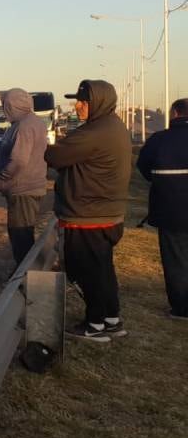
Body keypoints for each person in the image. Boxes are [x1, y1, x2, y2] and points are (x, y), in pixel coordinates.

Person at [46, 79, 131, 342]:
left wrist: (43, 143)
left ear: (97, 103)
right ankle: (111, 319)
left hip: (87, 215)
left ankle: (94, 325)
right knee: (103, 269)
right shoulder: (115, 126)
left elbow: (55, 157)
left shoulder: (93, 131)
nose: (77, 106)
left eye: (83, 101)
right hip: (108, 213)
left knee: (85, 271)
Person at [136, 97, 188, 321]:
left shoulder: (159, 139)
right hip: (171, 208)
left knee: (175, 259)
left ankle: (181, 308)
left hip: (170, 209)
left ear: (175, 114)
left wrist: (159, 181)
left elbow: (143, 165)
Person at [0, 88, 49, 267]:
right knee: (23, 233)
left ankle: (24, 276)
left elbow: (18, 160)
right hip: (28, 186)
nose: (4, 110)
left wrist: (2, 178)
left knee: (20, 235)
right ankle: (25, 272)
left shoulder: (24, 126)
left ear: (11, 105)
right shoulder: (32, 122)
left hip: (23, 188)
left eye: (5, 106)